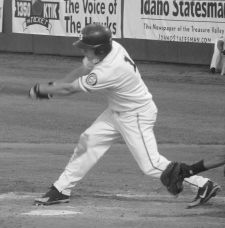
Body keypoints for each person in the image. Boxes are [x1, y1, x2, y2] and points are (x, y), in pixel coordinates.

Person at [29, 23, 220, 208]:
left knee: (151, 166)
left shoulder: (109, 70)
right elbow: (81, 72)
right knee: (88, 141)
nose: (83, 51)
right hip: (117, 111)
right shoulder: (113, 47)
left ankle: (203, 184)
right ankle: (61, 189)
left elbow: (71, 88)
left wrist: (43, 89)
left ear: (99, 49)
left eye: (86, 48)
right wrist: (50, 88)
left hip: (135, 115)